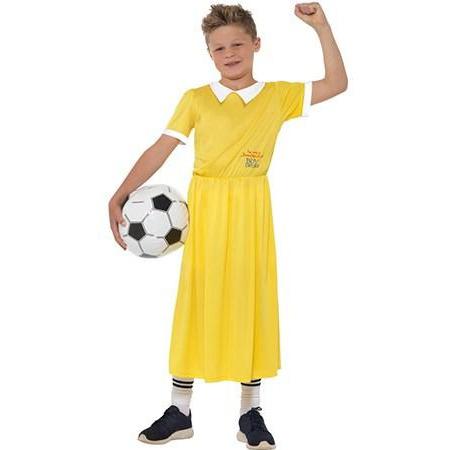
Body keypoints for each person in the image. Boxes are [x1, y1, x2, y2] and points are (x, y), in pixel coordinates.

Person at [108, 2, 347, 448]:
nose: (229, 53)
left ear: (256, 45)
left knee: (249, 299)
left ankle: (250, 412)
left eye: (238, 44)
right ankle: (179, 411)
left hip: (251, 207)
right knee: (196, 300)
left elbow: (337, 83)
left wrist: (322, 27)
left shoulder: (277, 96)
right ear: (209, 54)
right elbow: (161, 148)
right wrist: (120, 192)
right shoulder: (196, 99)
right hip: (206, 208)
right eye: (219, 48)